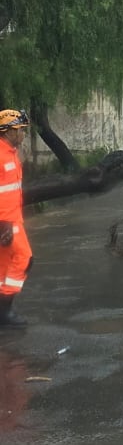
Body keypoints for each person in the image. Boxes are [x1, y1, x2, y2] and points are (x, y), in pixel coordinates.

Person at [0, 109, 32, 327]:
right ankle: (5, 313)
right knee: (24, 258)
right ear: (8, 131)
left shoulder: (10, 153)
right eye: (20, 130)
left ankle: (3, 312)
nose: (23, 135)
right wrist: (3, 224)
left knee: (4, 266)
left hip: (12, 219)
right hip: (6, 222)